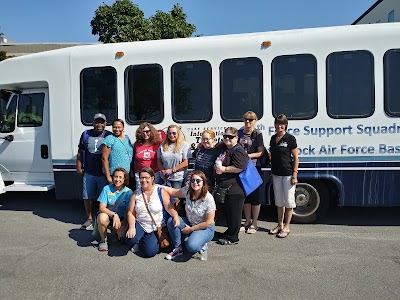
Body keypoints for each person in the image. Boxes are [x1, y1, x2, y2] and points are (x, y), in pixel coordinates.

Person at [125, 167, 180, 258]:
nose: (144, 180)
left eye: (147, 177)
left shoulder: (160, 191)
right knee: (130, 239)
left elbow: (169, 207)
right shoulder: (136, 194)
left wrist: (175, 216)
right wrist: (131, 227)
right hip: (141, 223)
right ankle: (138, 239)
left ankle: (144, 239)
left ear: (152, 178)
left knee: (149, 252)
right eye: (141, 178)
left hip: (156, 226)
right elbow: (130, 212)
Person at [160, 170, 216, 260]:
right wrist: (156, 186)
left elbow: (208, 222)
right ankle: (178, 248)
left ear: (203, 182)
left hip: (205, 227)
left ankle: (202, 245)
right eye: (192, 180)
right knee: (172, 220)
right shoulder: (187, 191)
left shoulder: (209, 199)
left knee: (191, 246)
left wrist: (191, 229)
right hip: (190, 222)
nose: (195, 183)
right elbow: (173, 191)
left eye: (198, 181)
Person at [76, 113, 112, 230]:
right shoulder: (86, 134)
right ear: (93, 123)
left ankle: (105, 219)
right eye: (97, 122)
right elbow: (80, 152)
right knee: (87, 196)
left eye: (102, 122)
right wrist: (79, 166)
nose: (99, 124)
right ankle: (89, 218)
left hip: (103, 174)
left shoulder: (109, 135)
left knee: (105, 198)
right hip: (89, 172)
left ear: (105, 124)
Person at [214, 127, 248, 245]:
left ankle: (233, 237)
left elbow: (240, 167)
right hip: (225, 188)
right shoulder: (223, 147)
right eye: (225, 136)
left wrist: (225, 169)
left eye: (230, 137)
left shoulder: (238, 150)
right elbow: (213, 145)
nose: (227, 139)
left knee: (235, 213)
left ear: (236, 138)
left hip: (235, 188)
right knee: (228, 212)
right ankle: (229, 232)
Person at [268, 114, 299, 238]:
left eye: (282, 124)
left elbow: (296, 157)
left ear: (285, 125)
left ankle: (287, 227)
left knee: (289, 202)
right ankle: (279, 225)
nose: (279, 126)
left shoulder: (290, 139)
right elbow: (271, 155)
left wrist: (294, 174)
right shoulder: (273, 138)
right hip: (276, 174)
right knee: (279, 201)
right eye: (277, 123)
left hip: (288, 174)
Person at [238, 111, 265, 234]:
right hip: (242, 167)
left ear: (255, 121)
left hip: (254, 168)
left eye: (251, 120)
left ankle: (254, 223)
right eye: (246, 119)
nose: (248, 122)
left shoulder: (257, 134)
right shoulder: (239, 132)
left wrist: (246, 156)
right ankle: (247, 221)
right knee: (246, 196)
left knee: (255, 197)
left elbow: (260, 152)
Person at [96, 168, 133, 252]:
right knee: (102, 218)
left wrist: (123, 225)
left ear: (124, 179)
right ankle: (103, 239)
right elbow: (101, 208)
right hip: (110, 216)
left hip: (122, 220)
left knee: (124, 240)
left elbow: (129, 212)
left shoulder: (128, 192)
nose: (118, 179)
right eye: (116, 177)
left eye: (120, 177)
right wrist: (114, 214)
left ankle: (116, 232)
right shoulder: (107, 189)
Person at [157, 124, 192, 200]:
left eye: (174, 133)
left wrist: (172, 170)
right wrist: (162, 171)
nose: (171, 135)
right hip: (165, 178)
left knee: (176, 199)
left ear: (178, 134)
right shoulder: (162, 145)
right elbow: (159, 161)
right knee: (165, 199)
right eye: (169, 133)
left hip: (178, 178)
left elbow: (186, 162)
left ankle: (177, 211)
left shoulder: (184, 145)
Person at [102, 119, 134, 184]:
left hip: (126, 174)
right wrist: (108, 177)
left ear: (123, 128)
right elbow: (104, 158)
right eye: (114, 127)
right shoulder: (109, 139)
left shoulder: (127, 139)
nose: (117, 129)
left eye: (119, 127)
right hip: (115, 176)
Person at [133, 122, 162, 188]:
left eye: (147, 131)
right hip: (140, 175)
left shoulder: (158, 144)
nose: (145, 134)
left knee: (154, 194)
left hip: (154, 174)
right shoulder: (137, 144)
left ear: (151, 132)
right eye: (143, 132)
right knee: (140, 194)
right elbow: (134, 159)